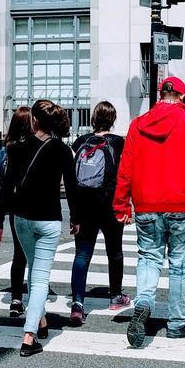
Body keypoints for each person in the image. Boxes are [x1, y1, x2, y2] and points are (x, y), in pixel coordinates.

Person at [113, 76, 185, 346]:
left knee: (148, 257)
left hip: (146, 202)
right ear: (181, 95)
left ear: (160, 94)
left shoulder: (138, 124)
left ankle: (144, 300)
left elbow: (126, 167)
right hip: (182, 202)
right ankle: (177, 322)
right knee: (180, 264)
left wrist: (122, 203)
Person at [0, 99, 79, 358]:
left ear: (35, 120)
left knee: (34, 271)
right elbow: (72, 188)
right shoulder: (62, 151)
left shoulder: (16, 148)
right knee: (40, 276)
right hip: (49, 220)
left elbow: (5, 188)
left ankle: (40, 321)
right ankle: (29, 336)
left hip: (21, 219)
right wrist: (76, 217)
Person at [68, 100, 126, 323]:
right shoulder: (118, 143)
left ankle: (77, 303)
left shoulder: (81, 142)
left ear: (93, 119)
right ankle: (116, 295)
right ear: (112, 121)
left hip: (84, 206)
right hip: (110, 206)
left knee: (82, 254)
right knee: (115, 252)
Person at [0, 105, 33, 320]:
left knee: (19, 255)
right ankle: (33, 297)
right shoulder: (32, 148)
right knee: (34, 256)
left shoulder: (6, 148)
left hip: (13, 208)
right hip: (34, 208)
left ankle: (16, 299)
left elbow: (2, 186)